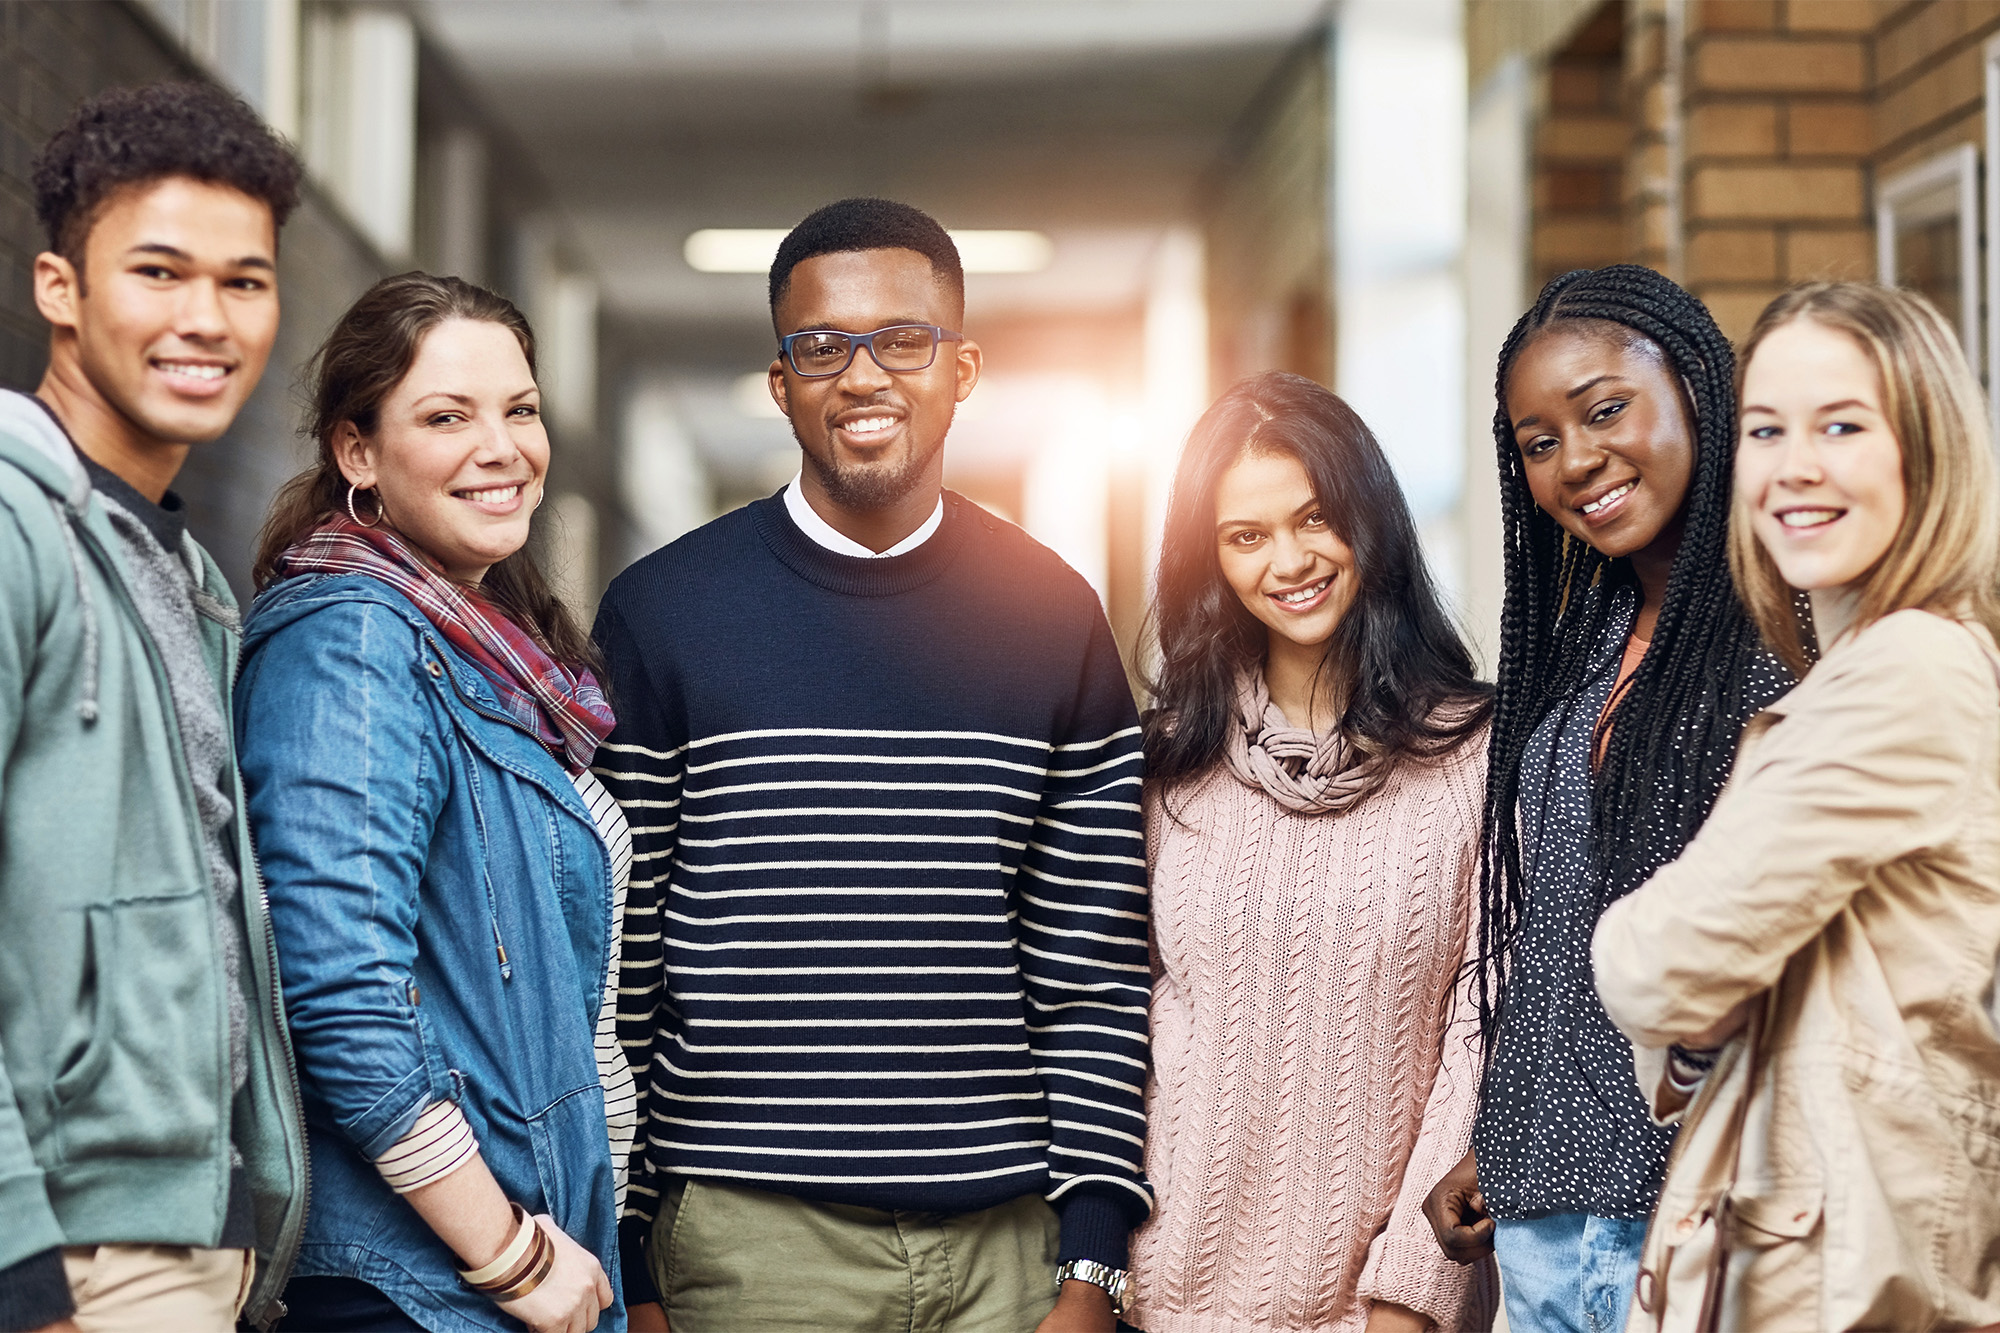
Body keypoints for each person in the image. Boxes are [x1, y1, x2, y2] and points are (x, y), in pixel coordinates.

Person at [593, 197, 1150, 1333]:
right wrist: (632, 1258)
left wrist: (1093, 1260)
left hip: (1007, 1250)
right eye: (820, 347)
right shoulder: (662, 612)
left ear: (962, 369)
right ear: (779, 381)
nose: (862, 377)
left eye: (902, 340)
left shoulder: (1054, 615)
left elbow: (1093, 962)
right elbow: (619, 964)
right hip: (749, 1250)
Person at [1594, 283, 2000, 1331]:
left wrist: (1674, 977)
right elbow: (1684, 1018)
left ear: (1926, 451)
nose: (1795, 466)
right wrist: (1696, 1002)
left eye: (1842, 426)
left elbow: (1655, 965)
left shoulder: (1910, 668)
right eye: (1767, 430)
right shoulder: (1845, 675)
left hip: (1848, 1284)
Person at [235, 273, 625, 1333]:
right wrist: (509, 1254)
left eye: (519, 410)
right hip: (419, 1283)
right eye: (447, 417)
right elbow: (339, 992)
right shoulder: (354, 639)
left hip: (504, 1254)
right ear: (356, 451)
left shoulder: (485, 641)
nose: (500, 449)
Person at [1420, 265, 1792, 1333]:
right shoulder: (1581, 649)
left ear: (1696, 392)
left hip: (1711, 1223)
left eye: (1604, 410)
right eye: (1538, 442)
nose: (1575, 461)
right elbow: (1557, 933)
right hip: (1546, 1225)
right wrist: (1507, 1134)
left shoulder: (1792, 643)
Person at [0, 83, 308, 1333]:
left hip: (193, 1237)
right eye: (160, 272)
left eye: (244, 281)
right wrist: (21, 1270)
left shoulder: (187, 577)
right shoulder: (15, 530)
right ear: (60, 288)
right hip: (71, 1249)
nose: (206, 319)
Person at [1126, 372, 1494, 1333]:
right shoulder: (1166, 766)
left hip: (1376, 1307)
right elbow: (1121, 1023)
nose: (1288, 561)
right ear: (1210, 559)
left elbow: (1482, 1032)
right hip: (1159, 1294)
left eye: (1315, 518)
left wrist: (1411, 1293)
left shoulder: (1479, 755)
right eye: (1246, 536)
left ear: (1370, 519)